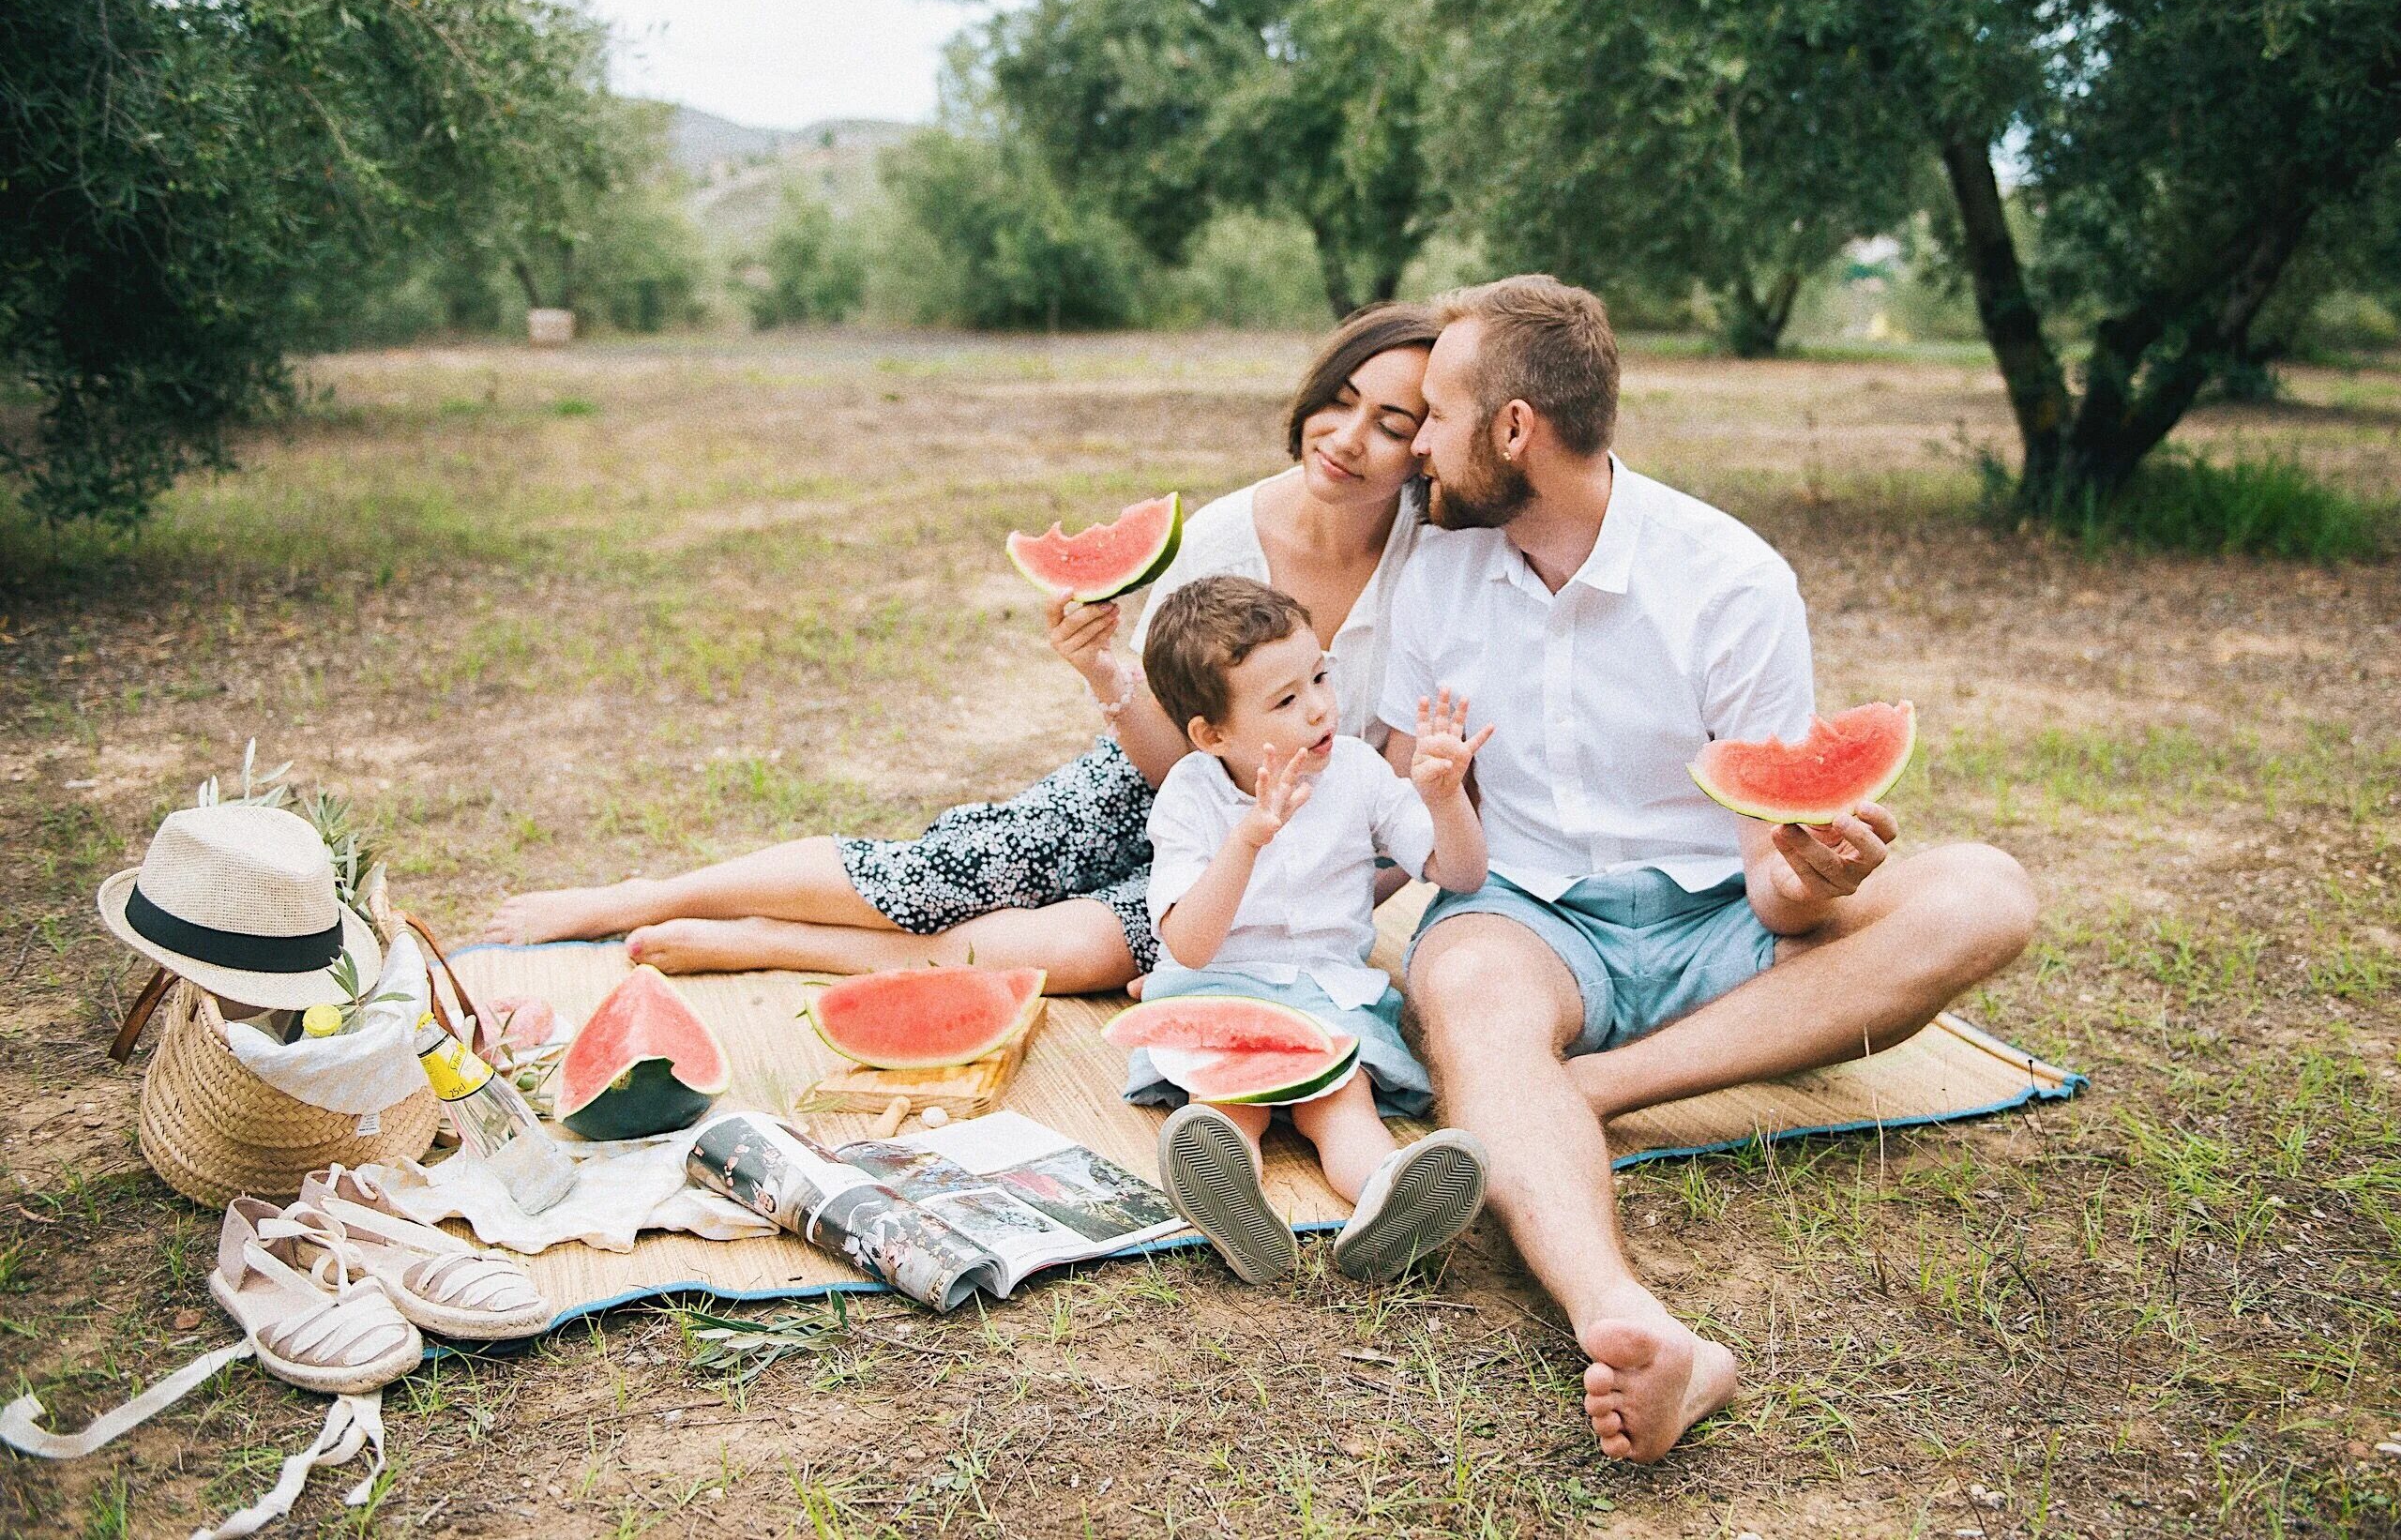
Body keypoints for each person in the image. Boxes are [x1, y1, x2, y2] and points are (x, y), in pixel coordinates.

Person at [1376, 275, 2040, 1462]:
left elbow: (1771, 880)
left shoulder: (1729, 580)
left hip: (1722, 925)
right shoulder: (1432, 566)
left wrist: (1814, 877)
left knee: (1987, 889)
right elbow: (1419, 818)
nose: (1416, 441)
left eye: (1434, 411)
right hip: (1527, 918)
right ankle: (1628, 1319)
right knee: (1468, 992)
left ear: (1514, 428)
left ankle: (1592, 1089)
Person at [478, 304, 1443, 992]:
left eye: (1390, 423)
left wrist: (1316, 887)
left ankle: (769, 941)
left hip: (1296, 851)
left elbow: (1398, 813)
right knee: (931, 879)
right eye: (1339, 399)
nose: (1346, 437)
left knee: (1080, 956)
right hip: (1160, 782)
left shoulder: (1432, 572)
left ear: (1426, 447)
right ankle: (640, 893)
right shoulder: (1226, 535)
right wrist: (1107, 674)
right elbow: (1178, 751)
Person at [1129, 576, 1490, 1285]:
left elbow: (1461, 871)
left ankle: (1390, 1198)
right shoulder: (1190, 795)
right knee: (1228, 1102)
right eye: (1288, 700)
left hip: (1328, 991)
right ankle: (1232, 1201)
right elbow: (1191, 944)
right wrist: (1248, 839)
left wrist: (1444, 799)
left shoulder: (1357, 770)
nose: (1321, 706)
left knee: (1342, 1103)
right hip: (1220, 986)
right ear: (1213, 734)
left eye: (1320, 675)